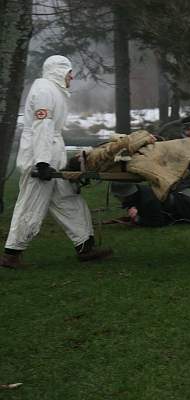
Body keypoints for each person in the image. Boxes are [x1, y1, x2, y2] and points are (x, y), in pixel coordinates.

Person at [0, 55, 112, 269]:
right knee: (30, 207)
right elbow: (42, 127)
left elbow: (51, 131)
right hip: (40, 162)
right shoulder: (44, 91)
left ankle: (85, 248)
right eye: (69, 72)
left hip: (52, 160)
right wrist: (42, 163)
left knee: (70, 200)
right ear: (59, 71)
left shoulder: (54, 91)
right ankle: (11, 255)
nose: (72, 76)